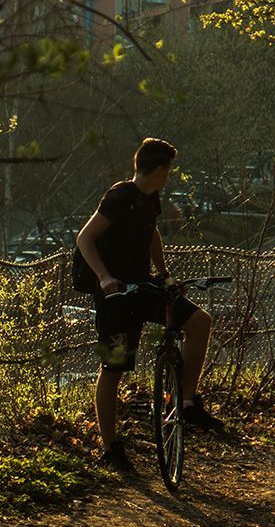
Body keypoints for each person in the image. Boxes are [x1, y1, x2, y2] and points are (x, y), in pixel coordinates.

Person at [75, 138, 224, 474]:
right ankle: (111, 447)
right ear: (159, 170)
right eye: (168, 170)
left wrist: (164, 273)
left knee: (199, 322)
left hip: (144, 287)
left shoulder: (149, 198)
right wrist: (103, 277)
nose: (168, 175)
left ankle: (185, 402)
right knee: (113, 369)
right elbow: (84, 237)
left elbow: (151, 232)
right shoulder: (119, 197)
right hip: (115, 297)